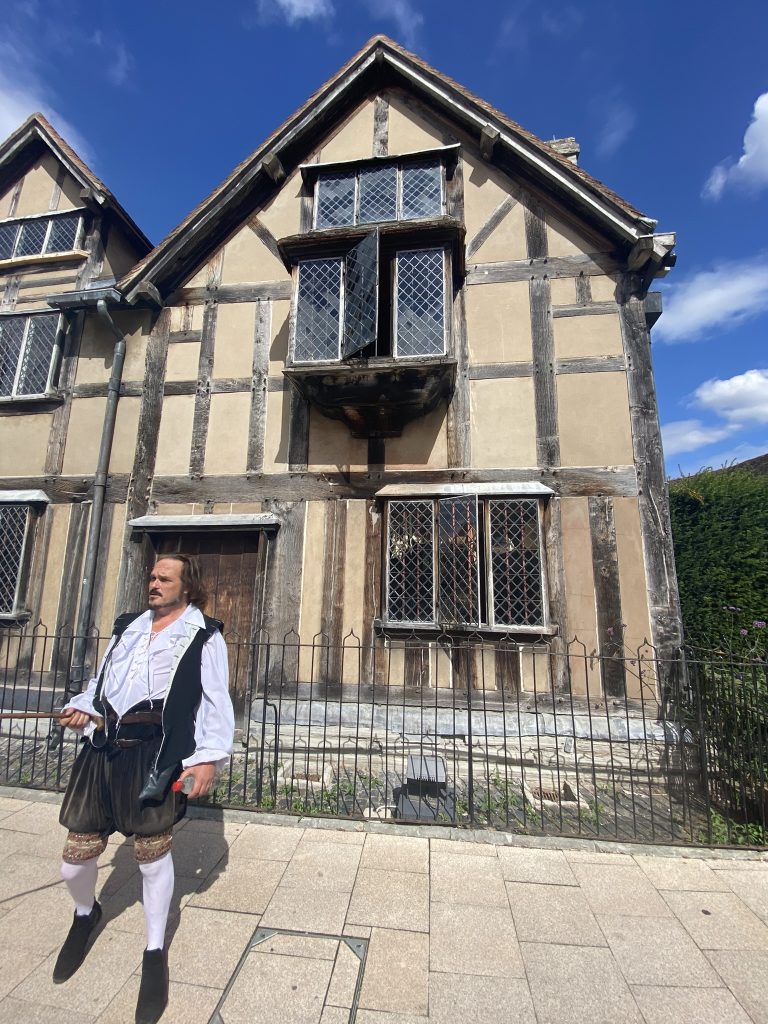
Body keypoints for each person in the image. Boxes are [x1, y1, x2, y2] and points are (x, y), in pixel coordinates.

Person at [55, 554, 234, 1024]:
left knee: (152, 857)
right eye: (152, 577)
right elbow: (101, 685)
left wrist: (207, 759)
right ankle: (84, 913)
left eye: (164, 579)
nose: (153, 584)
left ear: (187, 587)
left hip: (156, 752)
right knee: (74, 860)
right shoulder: (127, 626)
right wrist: (82, 709)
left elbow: (216, 701)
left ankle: (154, 951)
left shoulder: (203, 635)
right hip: (104, 748)